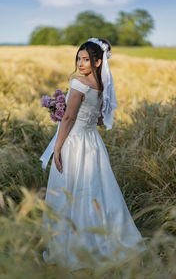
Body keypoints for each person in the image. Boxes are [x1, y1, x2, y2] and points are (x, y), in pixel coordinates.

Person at [41, 37, 146, 270]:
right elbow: (98, 119)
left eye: (86, 59)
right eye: (79, 58)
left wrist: (57, 147)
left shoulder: (79, 84)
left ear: (98, 62)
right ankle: (106, 240)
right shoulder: (101, 85)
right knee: (97, 191)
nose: (81, 63)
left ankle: (73, 247)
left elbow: (69, 118)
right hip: (93, 143)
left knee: (72, 190)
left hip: (75, 142)